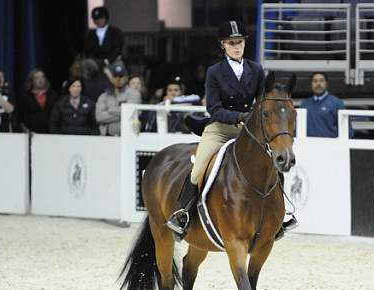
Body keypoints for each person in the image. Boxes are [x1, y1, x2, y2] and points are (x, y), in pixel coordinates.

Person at [167, 20, 296, 240]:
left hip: (249, 131)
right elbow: (213, 108)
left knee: (272, 163)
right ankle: (184, 214)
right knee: (198, 169)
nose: (237, 47)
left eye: (240, 43)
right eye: (232, 43)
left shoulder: (255, 69)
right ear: (223, 45)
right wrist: (238, 117)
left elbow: (262, 101)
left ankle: (280, 215)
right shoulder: (214, 72)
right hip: (220, 128)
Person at [95, 60, 141, 136]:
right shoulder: (104, 96)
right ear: (112, 78)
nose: (118, 79)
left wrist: (109, 110)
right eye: (115, 76)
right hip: (105, 137)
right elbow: (99, 117)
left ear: (126, 77)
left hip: (127, 137)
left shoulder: (134, 94)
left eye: (121, 76)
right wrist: (122, 113)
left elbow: (130, 113)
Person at [300, 72, 345, 138]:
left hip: (330, 146)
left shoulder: (336, 103)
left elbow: (347, 130)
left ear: (326, 83)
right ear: (311, 84)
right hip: (309, 145)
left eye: (321, 81)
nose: (318, 84)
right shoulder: (304, 104)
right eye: (315, 81)